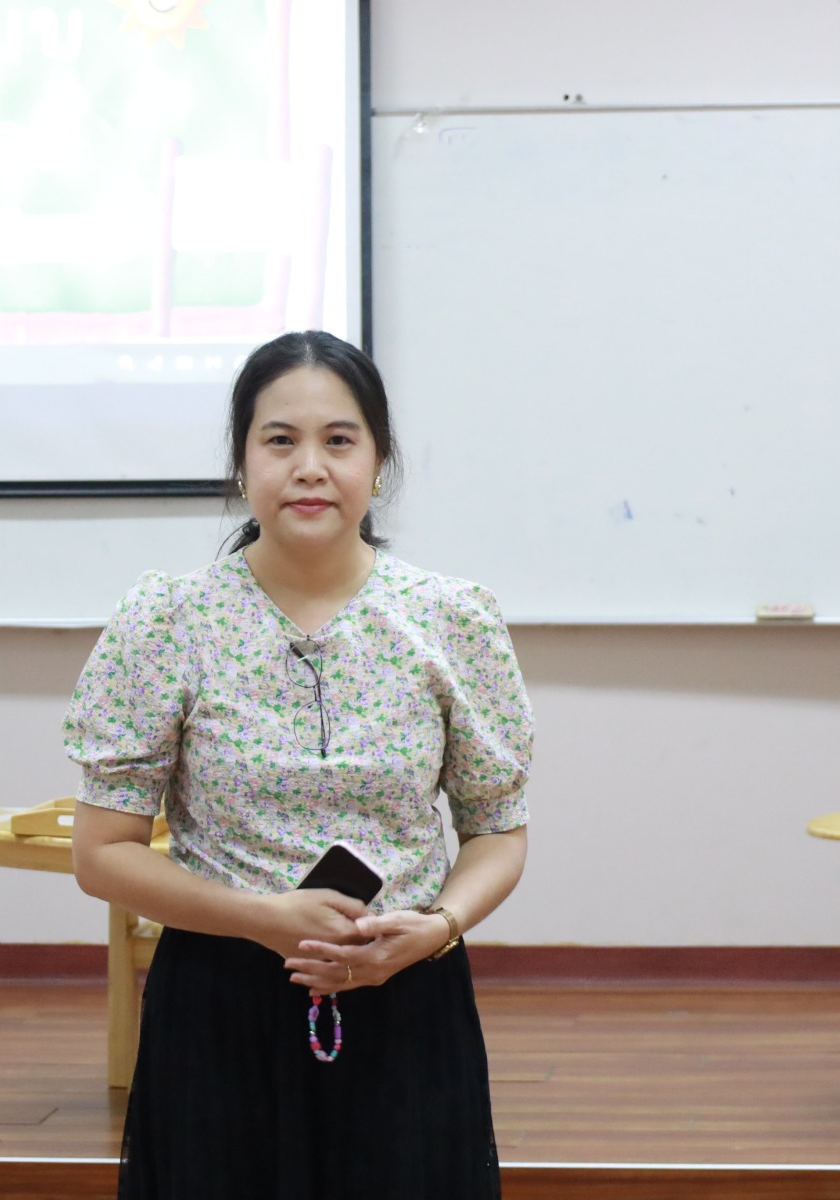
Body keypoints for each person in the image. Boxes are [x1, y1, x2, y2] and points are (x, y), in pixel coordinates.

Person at [64, 330, 532, 1200]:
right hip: (219, 1007)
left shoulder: (452, 619)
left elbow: (497, 833)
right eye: (280, 440)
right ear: (242, 463)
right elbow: (102, 855)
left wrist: (438, 927)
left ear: (379, 464)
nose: (309, 467)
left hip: (405, 997)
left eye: (339, 440)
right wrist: (260, 918)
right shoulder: (167, 621)